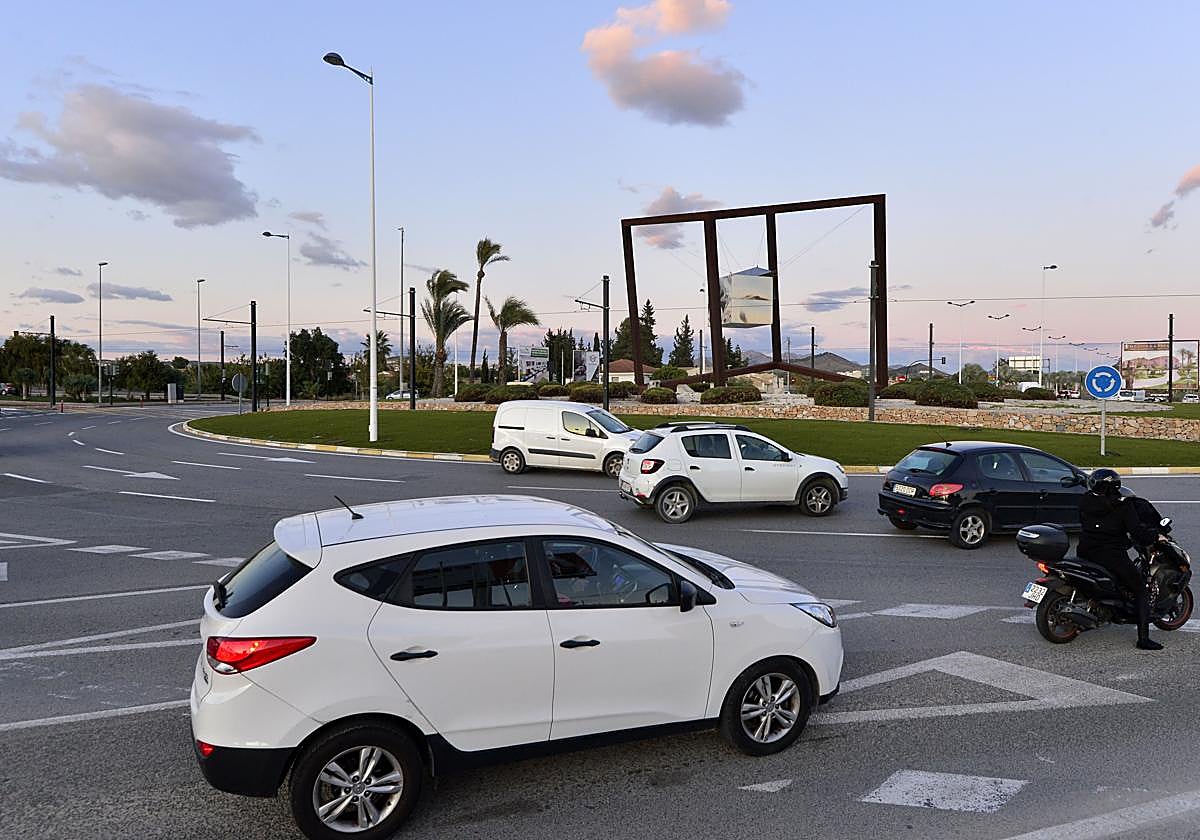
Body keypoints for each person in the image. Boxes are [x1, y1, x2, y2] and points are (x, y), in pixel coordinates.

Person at [1077, 468, 1165, 650]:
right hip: (1111, 556)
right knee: (1140, 589)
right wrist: (1156, 536)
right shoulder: (1122, 506)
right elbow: (1137, 532)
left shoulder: (1085, 500)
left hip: (1085, 551)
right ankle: (1143, 639)